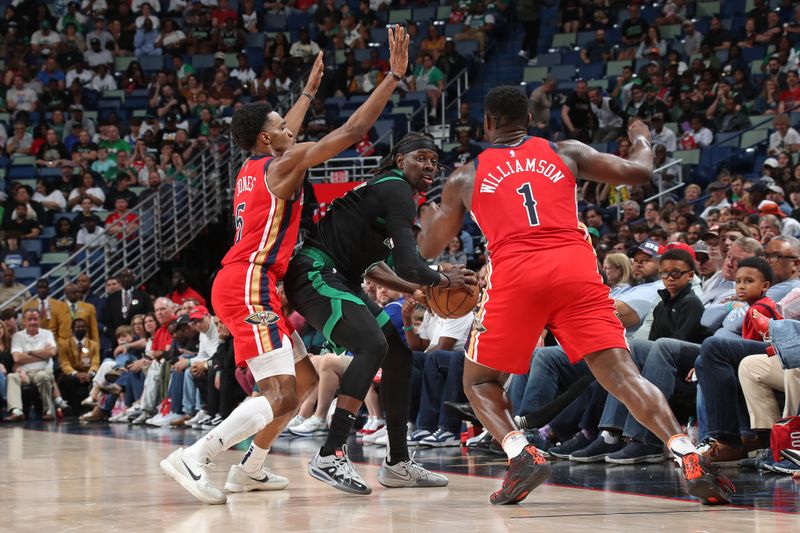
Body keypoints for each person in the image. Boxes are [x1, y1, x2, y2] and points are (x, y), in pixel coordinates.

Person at [416, 85, 734, 505]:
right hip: (574, 268)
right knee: (623, 375)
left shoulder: (464, 177)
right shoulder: (565, 150)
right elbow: (639, 172)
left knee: (478, 380)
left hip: (515, 273)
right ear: (529, 121)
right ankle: (685, 450)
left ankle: (520, 451)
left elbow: (429, 250)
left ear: (487, 124)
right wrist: (641, 137)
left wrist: (425, 217)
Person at [161, 27, 416, 505]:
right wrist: (393, 77)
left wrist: (306, 92)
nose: (290, 130)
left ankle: (251, 467)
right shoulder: (281, 165)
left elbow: (286, 134)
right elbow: (353, 132)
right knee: (279, 393)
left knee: (301, 384)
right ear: (267, 137)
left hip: (249, 280)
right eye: (282, 126)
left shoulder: (253, 166)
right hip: (249, 283)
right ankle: (195, 457)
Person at [283, 129, 476, 495]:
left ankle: (398, 461)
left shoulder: (383, 198)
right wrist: (441, 280)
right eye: (420, 158)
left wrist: (420, 289)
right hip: (315, 273)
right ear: (399, 160)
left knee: (399, 351)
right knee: (373, 345)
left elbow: (377, 267)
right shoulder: (396, 189)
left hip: (343, 279)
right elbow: (408, 260)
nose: (429, 166)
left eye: (435, 161)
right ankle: (331, 451)